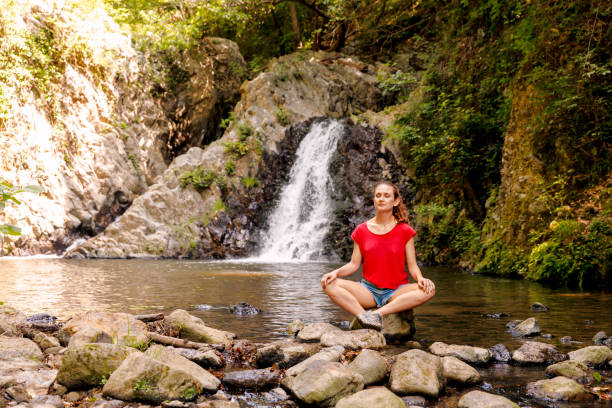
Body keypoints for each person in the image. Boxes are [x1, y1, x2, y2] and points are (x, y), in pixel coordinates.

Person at [320, 181, 435, 331]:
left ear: (395, 201)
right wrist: (335, 272)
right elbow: (354, 264)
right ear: (374, 200)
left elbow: (412, 265)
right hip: (368, 291)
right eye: (378, 195)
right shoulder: (361, 230)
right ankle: (363, 315)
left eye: (386, 196)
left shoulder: (405, 231)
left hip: (397, 291)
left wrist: (421, 279)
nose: (381, 199)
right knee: (328, 284)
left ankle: (377, 314)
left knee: (429, 290)